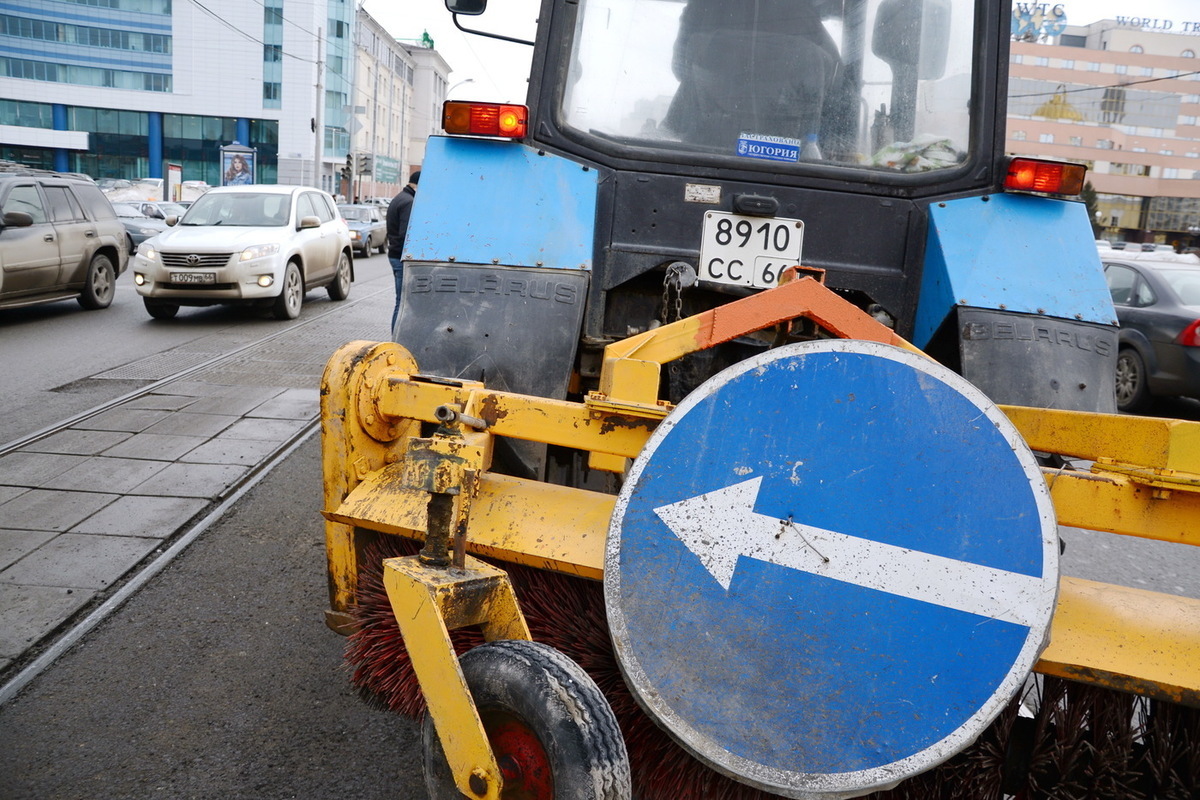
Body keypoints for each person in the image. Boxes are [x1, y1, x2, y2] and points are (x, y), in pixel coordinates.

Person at [663, 0, 844, 151]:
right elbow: (837, 82)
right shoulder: (803, 15)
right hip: (789, 153)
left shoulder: (704, 7)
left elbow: (681, 66)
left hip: (700, 155)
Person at [387, 170, 419, 332]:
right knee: (402, 302)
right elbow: (406, 233)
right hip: (400, 257)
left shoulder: (400, 197)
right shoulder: (408, 202)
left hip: (394, 254)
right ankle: (396, 338)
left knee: (400, 301)